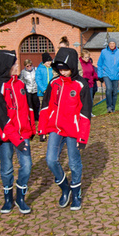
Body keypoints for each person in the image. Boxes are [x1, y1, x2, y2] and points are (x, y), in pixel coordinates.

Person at [38, 47, 92, 211]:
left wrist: (82, 138)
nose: (62, 71)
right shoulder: (53, 83)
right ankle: (65, 188)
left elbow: (85, 114)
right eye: (59, 68)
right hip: (55, 128)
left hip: (73, 131)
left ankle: (76, 193)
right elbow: (45, 106)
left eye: (65, 68)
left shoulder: (81, 85)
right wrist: (41, 129)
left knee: (74, 163)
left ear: (73, 66)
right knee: (51, 159)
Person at [0, 50, 35, 214]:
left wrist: (31, 129)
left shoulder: (21, 85)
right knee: (7, 167)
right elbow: (2, 119)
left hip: (22, 134)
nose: (17, 66)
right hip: (6, 136)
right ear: (4, 67)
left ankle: (20, 197)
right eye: (14, 64)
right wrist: (18, 140)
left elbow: (28, 109)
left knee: (27, 165)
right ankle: (8, 198)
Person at [97, 39, 119, 113]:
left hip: (116, 75)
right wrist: (99, 75)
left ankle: (113, 107)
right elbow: (99, 64)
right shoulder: (104, 52)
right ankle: (109, 107)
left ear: (115, 44)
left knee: (115, 92)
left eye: (113, 43)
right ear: (108, 45)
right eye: (110, 43)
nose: (112, 45)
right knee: (109, 89)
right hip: (106, 74)